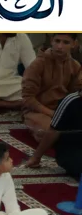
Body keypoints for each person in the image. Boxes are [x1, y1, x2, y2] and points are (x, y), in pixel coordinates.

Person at [23, 33, 82, 170]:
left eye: (66, 42)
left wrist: (63, 114)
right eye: (57, 41)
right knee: (47, 132)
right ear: (51, 41)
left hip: (64, 110)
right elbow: (28, 99)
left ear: (74, 44)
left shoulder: (75, 65)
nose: (60, 46)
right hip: (39, 111)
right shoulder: (38, 64)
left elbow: (77, 93)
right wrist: (54, 114)